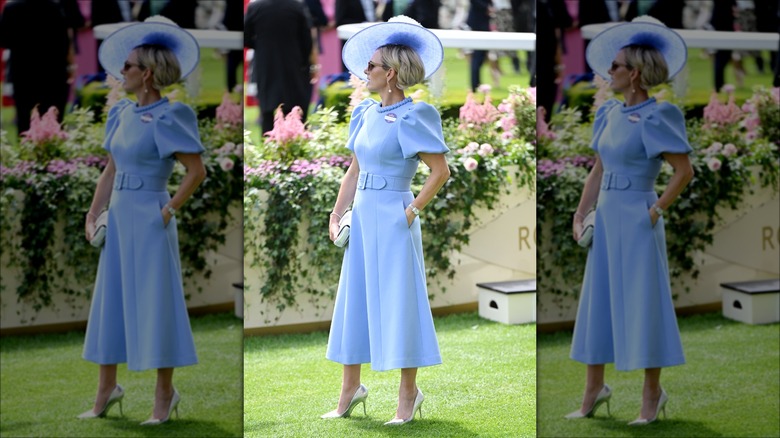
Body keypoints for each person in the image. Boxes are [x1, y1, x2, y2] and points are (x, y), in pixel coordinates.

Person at [323, 16, 450, 425]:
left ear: (391, 73)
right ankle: (349, 390)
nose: (365, 72)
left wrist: (410, 212)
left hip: (395, 216)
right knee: (354, 300)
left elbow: (440, 171)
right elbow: (353, 170)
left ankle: (408, 397)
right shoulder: (364, 113)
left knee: (400, 302)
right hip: (361, 217)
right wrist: (337, 212)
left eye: (372, 66)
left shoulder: (417, 115)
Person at [79, 16, 206, 425]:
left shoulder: (175, 115)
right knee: (110, 302)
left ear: (147, 74)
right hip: (118, 218)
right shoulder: (120, 113)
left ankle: (164, 396)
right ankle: (105, 390)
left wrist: (167, 210)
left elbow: (195, 171)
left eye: (129, 67)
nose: (121, 73)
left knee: (156, 304)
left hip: (152, 216)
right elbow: (109, 170)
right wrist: (94, 212)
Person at [568, 16, 694, 425]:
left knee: (644, 303)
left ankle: (651, 395)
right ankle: (593, 390)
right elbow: (597, 170)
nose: (609, 72)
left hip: (639, 216)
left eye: (617, 66)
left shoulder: (662, 115)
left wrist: (655, 210)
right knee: (598, 301)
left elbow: (683, 171)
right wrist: (581, 212)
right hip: (606, 217)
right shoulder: (608, 113)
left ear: (635, 73)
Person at [0, 0, 76, 135]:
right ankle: (53, 153)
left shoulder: (11, 7)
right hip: (53, 72)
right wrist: (69, 66)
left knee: (25, 122)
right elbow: (64, 41)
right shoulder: (54, 6)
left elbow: (4, 40)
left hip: (22, 72)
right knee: (53, 121)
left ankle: (26, 154)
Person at [245, 0, 315, 134]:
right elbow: (307, 39)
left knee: (267, 110)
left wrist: (260, 45)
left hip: (266, 63)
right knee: (294, 107)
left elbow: (246, 36)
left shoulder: (255, 7)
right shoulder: (296, 6)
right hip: (293, 63)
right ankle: (296, 141)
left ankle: (268, 144)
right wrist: (305, 61)